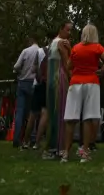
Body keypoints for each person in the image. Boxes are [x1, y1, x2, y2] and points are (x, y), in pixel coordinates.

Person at [61, 24, 104, 163]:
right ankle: (84, 152)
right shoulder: (97, 47)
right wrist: (102, 70)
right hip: (92, 82)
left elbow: (68, 66)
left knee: (71, 119)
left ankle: (66, 153)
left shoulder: (76, 48)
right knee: (88, 118)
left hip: (75, 83)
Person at [40, 21, 72, 160]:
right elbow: (68, 64)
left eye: (71, 31)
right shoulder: (62, 44)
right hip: (60, 79)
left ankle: (50, 147)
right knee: (61, 113)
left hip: (51, 80)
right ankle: (57, 147)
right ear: (61, 29)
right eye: (67, 30)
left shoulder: (52, 43)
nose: (69, 33)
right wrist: (70, 50)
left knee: (52, 112)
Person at [12, 35, 40, 150]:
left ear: (30, 42)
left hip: (23, 82)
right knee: (33, 113)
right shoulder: (40, 51)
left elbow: (17, 66)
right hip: (34, 83)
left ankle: (16, 138)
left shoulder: (25, 51)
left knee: (20, 111)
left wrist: (18, 71)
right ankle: (32, 138)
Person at [30, 29, 55, 152]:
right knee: (46, 113)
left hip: (38, 84)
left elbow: (33, 69)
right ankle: (39, 140)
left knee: (33, 113)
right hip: (50, 84)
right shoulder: (56, 51)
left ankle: (26, 141)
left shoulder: (40, 51)